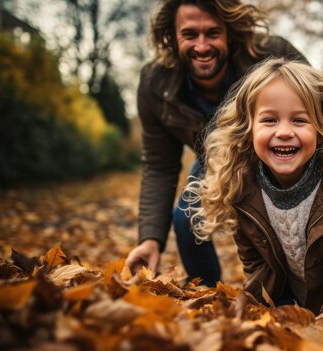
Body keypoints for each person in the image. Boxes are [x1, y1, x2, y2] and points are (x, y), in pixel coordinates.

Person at [184, 58, 323, 325]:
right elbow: (258, 265)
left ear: (322, 127)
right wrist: (275, 309)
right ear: (248, 128)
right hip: (294, 306)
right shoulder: (242, 188)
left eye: (299, 120)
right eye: (269, 120)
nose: (283, 132)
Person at [125, 0, 307, 286]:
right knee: (187, 223)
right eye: (189, 35)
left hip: (287, 155)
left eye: (212, 33)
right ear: (172, 37)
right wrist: (150, 240)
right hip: (216, 161)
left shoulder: (273, 53)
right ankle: (208, 295)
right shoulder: (155, 84)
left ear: (229, 32)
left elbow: (320, 116)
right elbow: (160, 167)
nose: (201, 46)